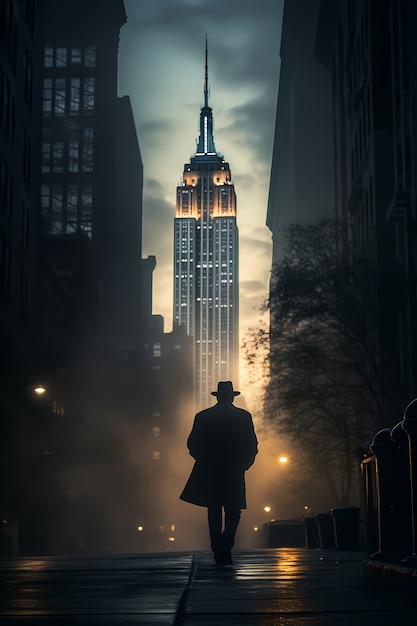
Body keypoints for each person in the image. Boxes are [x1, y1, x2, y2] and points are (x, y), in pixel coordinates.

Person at [180, 381, 258, 566]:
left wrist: (203, 460)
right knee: (233, 509)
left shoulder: (203, 416)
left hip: (211, 469)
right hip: (234, 469)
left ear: (218, 396)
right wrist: (245, 464)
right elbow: (252, 445)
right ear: (232, 396)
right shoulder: (243, 416)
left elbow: (192, 444)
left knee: (213, 508)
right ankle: (226, 542)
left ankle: (218, 545)